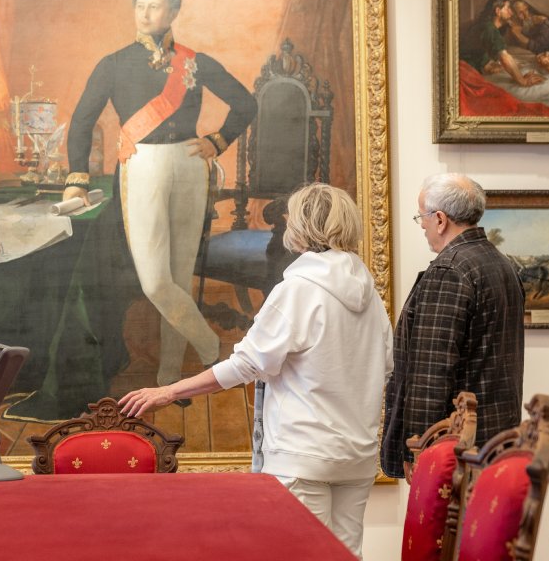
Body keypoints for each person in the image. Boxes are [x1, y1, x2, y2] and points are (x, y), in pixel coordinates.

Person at [119, 183, 393, 558]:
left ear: (303, 227)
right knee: (348, 554)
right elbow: (387, 365)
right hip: (356, 456)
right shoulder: (369, 294)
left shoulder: (298, 289)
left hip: (303, 453)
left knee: (301, 555)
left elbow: (245, 364)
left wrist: (169, 391)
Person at [61, 0, 256, 387]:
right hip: (142, 166)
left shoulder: (194, 62)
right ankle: (212, 346)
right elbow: (81, 121)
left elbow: (246, 102)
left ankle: (170, 376)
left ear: (173, 13)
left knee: (180, 276)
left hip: (189, 166)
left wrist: (218, 141)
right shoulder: (113, 64)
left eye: (155, 6)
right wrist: (76, 177)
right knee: (155, 281)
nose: (146, 14)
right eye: (141, 6)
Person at [381, 173, 525, 482]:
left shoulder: (450, 270)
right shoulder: (501, 264)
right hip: (497, 440)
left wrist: (417, 450)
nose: (422, 225)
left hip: (456, 450)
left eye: (422, 217)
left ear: (440, 219)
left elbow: (430, 373)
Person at [459, 0, 544, 87]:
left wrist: (487, 64)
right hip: (464, 72)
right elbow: (504, 56)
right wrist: (522, 80)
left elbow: (478, 51)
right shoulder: (489, 28)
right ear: (498, 11)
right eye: (507, 8)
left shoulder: (488, 25)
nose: (511, 12)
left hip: (472, 68)